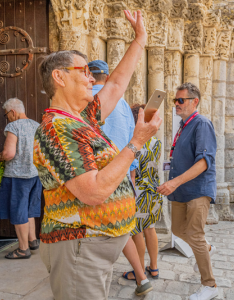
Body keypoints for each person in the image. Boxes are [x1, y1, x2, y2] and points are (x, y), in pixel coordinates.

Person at [34, 10, 162, 300]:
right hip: (79, 247)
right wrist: (136, 142)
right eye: (84, 71)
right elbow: (93, 193)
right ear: (59, 77)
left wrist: (139, 40)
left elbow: (116, 85)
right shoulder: (58, 128)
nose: (92, 78)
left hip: (94, 247)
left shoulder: (82, 118)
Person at [88, 61, 151, 288]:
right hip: (122, 174)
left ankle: (97, 279)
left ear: (90, 76)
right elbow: (129, 140)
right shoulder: (123, 104)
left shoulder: (86, 100)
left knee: (94, 227)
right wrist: (131, 178)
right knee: (124, 228)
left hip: (95, 175)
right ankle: (141, 276)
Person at [157, 82, 218, 300]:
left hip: (197, 189)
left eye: (180, 100)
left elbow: (204, 162)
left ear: (195, 102)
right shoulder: (184, 124)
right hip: (181, 189)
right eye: (175, 100)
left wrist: (174, 183)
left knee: (194, 234)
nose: (176, 104)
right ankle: (206, 249)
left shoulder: (201, 123)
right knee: (178, 230)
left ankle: (210, 286)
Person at [0, 97, 42, 259]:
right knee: (29, 209)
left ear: (13, 112)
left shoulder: (13, 126)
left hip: (17, 176)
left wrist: (0, 157)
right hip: (35, 175)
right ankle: (33, 241)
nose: (7, 118)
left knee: (18, 211)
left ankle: (23, 249)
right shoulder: (37, 125)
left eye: (6, 115)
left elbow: (9, 154)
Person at [123, 104, 162, 281]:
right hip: (153, 191)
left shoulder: (133, 142)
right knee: (150, 229)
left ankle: (138, 271)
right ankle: (153, 267)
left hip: (138, 191)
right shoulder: (156, 143)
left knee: (136, 231)